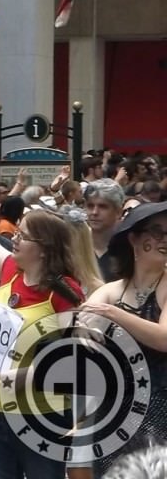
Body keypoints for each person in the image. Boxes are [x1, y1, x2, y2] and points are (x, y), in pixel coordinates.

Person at [0, 168, 83, 479]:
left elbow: (76, 360)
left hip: (41, 415)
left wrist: (23, 378)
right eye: (17, 233)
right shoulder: (10, 270)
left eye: (23, 236)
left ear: (45, 247)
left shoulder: (65, 293)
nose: (15, 240)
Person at [82, 201, 167, 476]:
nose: (164, 240)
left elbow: (164, 339)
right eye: (156, 232)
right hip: (113, 410)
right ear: (134, 239)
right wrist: (85, 333)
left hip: (160, 408)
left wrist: (111, 313)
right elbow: (82, 321)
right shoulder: (111, 290)